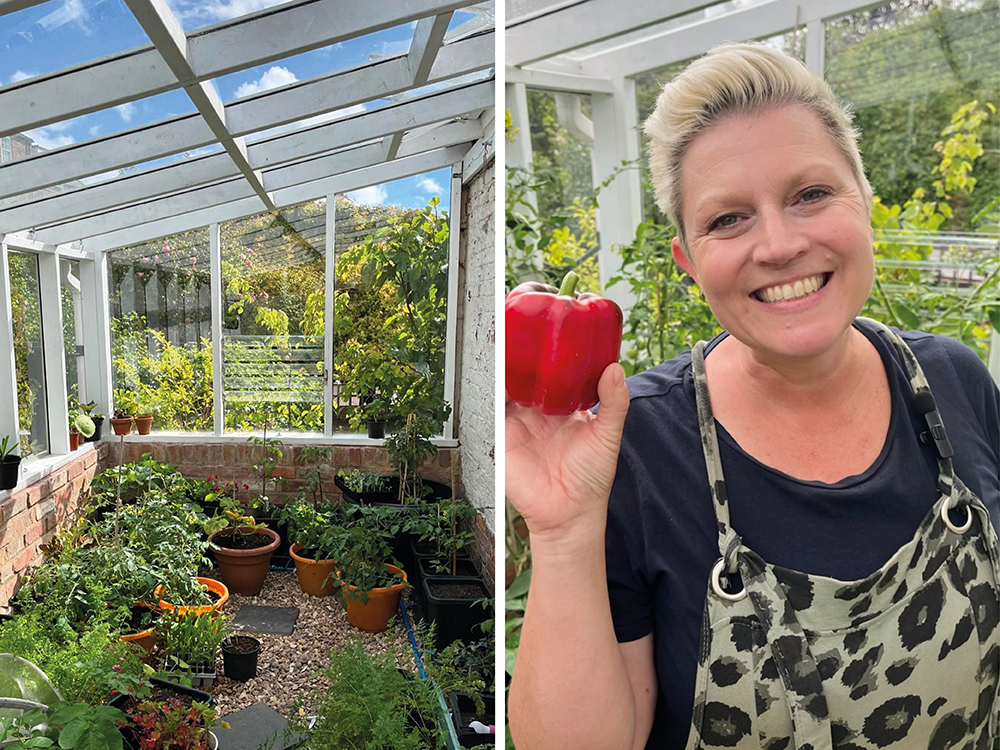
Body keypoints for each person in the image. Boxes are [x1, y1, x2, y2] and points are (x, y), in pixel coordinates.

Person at [505, 42, 1000, 750]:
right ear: (687, 263)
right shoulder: (637, 444)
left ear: (863, 200)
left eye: (810, 194)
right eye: (728, 219)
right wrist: (560, 536)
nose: (778, 243)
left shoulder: (954, 381)